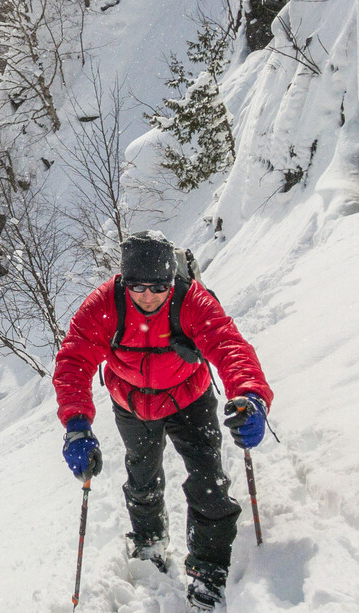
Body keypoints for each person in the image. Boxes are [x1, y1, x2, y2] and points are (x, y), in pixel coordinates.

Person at [52, 231, 273, 611]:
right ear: (124, 281)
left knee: (208, 481)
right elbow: (74, 360)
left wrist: (251, 395)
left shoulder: (191, 301)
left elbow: (229, 345)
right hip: (133, 403)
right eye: (138, 286)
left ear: (172, 279)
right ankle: (149, 540)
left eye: (159, 286)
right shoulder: (105, 304)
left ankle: (208, 569)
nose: (149, 296)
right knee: (142, 476)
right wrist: (76, 425)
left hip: (190, 397)